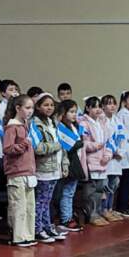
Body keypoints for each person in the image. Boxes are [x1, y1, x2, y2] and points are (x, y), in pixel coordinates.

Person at [32, 93, 68, 243]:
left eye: (52, 105)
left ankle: (47, 226)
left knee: (48, 200)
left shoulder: (52, 122)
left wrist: (64, 164)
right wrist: (56, 146)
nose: (49, 108)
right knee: (41, 200)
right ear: (38, 106)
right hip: (43, 168)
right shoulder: (36, 123)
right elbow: (38, 148)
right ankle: (37, 228)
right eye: (45, 105)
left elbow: (63, 145)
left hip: (55, 166)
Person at [2, 95, 37, 247]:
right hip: (16, 172)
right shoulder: (12, 127)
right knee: (18, 206)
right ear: (18, 108)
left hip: (28, 171)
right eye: (27, 108)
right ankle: (18, 236)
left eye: (32, 108)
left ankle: (28, 234)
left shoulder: (26, 125)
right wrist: (23, 144)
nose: (30, 111)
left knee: (30, 206)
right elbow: (7, 148)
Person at [55, 100, 87, 234]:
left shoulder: (74, 126)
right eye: (71, 112)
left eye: (75, 112)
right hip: (66, 163)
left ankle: (67, 215)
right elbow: (71, 145)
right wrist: (79, 143)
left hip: (75, 162)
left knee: (70, 192)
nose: (74, 115)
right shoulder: (60, 127)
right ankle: (65, 219)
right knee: (65, 192)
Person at [80, 96, 112, 226]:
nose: (98, 109)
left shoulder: (102, 123)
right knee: (90, 190)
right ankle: (91, 214)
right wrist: (95, 146)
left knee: (100, 189)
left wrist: (107, 155)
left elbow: (108, 141)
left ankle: (98, 212)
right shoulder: (83, 123)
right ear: (88, 108)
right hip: (91, 160)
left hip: (102, 161)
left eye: (99, 106)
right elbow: (84, 143)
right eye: (94, 107)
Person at [100, 94, 125, 222]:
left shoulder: (117, 120)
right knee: (104, 185)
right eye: (109, 103)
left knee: (114, 183)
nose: (112, 106)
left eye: (114, 103)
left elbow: (121, 138)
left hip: (116, 158)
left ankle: (110, 208)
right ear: (103, 106)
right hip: (106, 157)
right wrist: (111, 152)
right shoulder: (101, 120)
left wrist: (119, 151)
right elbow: (103, 139)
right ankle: (103, 209)